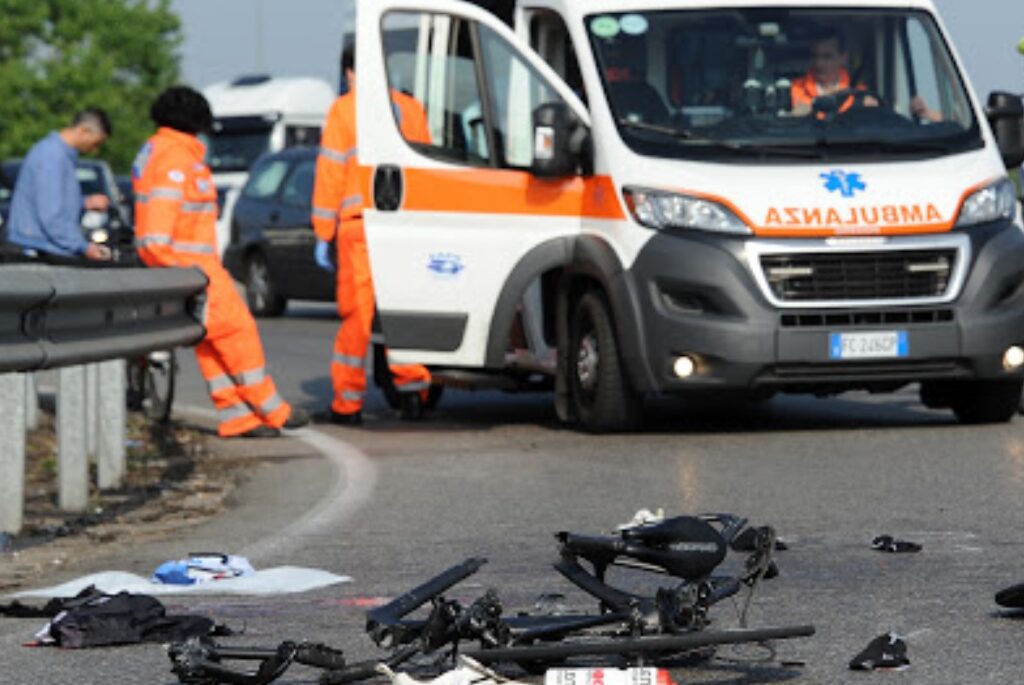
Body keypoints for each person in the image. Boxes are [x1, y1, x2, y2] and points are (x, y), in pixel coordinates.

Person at [132, 86, 309, 438]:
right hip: (192, 269)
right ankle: (273, 409)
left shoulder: (160, 151)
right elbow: (156, 235)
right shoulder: (176, 160)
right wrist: (182, 272)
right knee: (237, 331)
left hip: (184, 268)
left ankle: (238, 414)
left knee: (211, 342)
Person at [311, 43, 432, 425]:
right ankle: (414, 392)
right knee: (404, 310)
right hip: (406, 226)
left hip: (359, 227)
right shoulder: (411, 109)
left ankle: (347, 404)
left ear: (349, 72)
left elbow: (330, 174)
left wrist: (322, 230)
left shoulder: (344, 110)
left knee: (357, 318)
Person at [6, 108, 113, 262]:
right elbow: (51, 216)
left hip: (42, 248)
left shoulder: (60, 155)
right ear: (84, 131)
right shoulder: (52, 156)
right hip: (38, 252)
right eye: (96, 143)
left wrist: (85, 202)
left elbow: (51, 202)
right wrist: (83, 247)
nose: (95, 150)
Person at [791, 28, 940, 122]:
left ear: (843, 57)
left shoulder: (862, 96)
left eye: (826, 57)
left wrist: (876, 113)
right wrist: (791, 118)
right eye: (815, 56)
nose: (819, 64)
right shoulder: (792, 90)